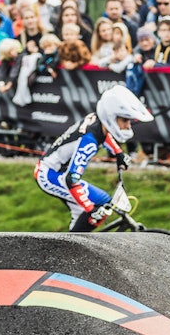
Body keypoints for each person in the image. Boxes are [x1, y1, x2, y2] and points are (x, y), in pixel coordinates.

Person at [34, 86, 153, 232]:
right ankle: (73, 243)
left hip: (58, 171)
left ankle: (73, 241)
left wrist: (118, 153)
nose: (128, 125)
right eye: (124, 120)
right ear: (111, 117)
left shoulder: (97, 120)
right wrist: (90, 208)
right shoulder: (89, 142)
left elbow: (103, 135)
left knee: (101, 203)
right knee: (97, 209)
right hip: (49, 175)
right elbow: (71, 179)